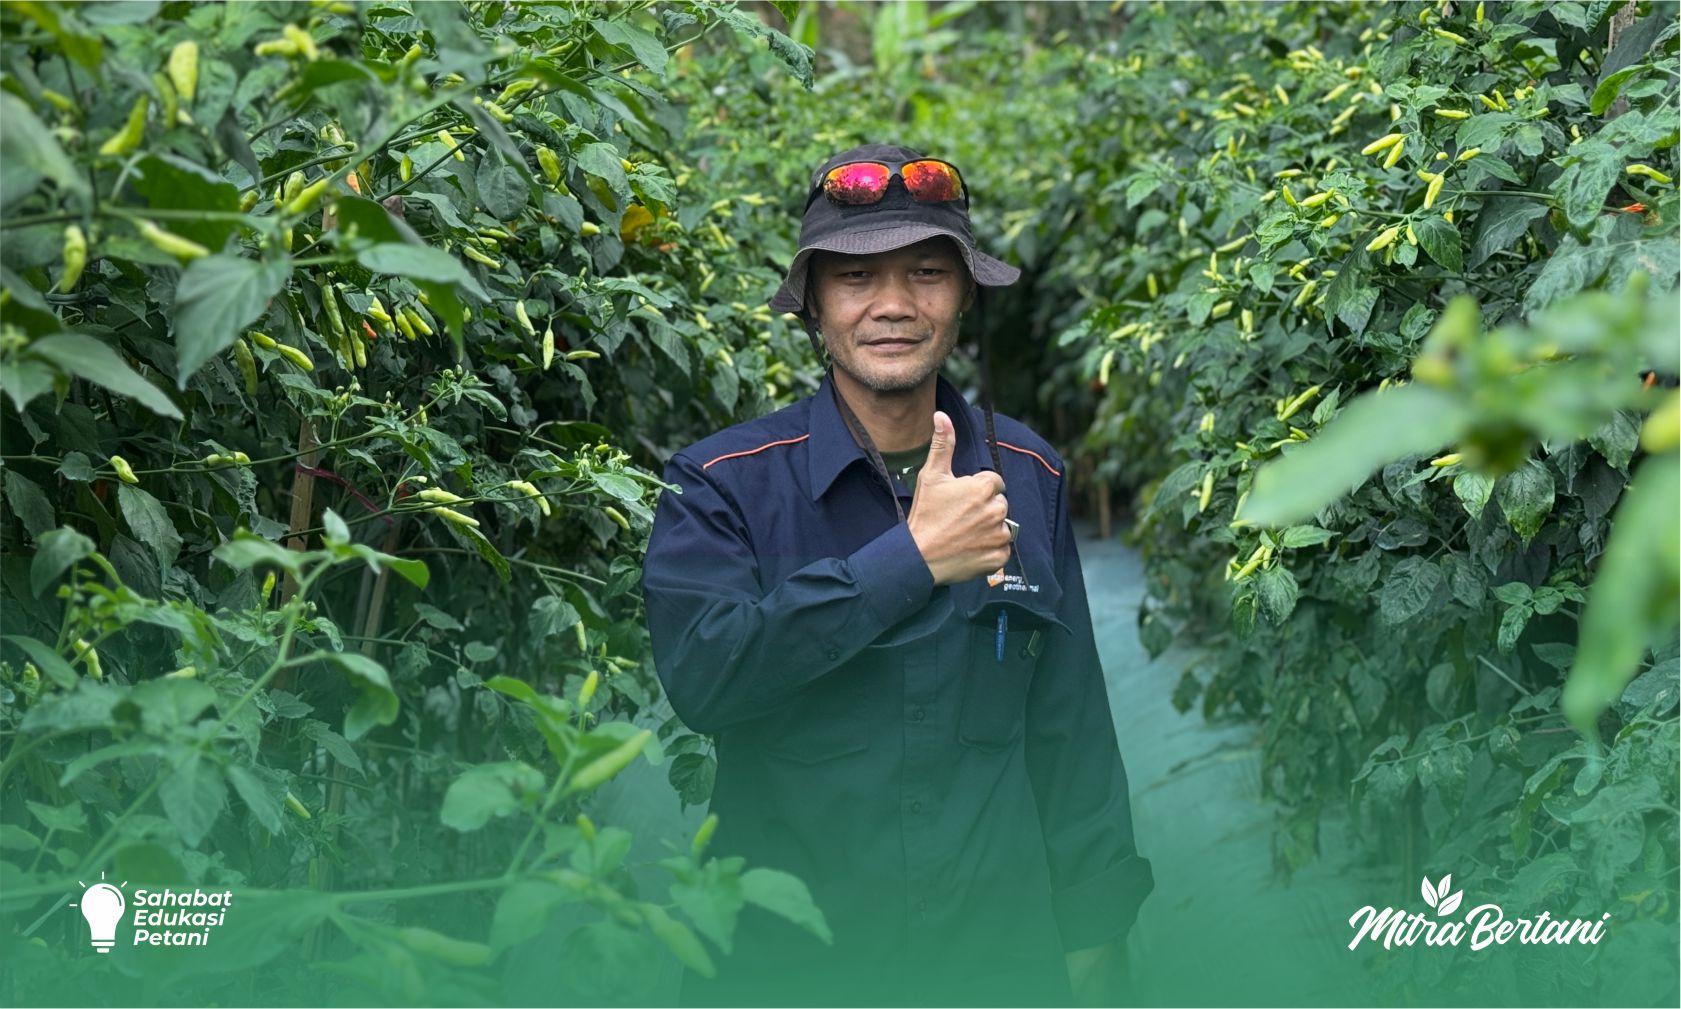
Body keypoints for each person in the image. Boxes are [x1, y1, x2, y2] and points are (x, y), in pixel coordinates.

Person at [641, 143, 1153, 1008]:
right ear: (812, 306)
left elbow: (1070, 727)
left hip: (996, 959)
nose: (892, 305)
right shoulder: (721, 484)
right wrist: (908, 562)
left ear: (962, 299)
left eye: (924, 272)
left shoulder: (1027, 471)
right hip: (790, 966)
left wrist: (1097, 928)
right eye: (853, 277)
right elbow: (706, 678)